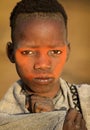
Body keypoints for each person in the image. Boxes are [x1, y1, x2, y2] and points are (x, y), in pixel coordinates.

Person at [0, 0, 89, 130]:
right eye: (28, 52)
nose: (42, 64)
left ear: (68, 52)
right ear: (11, 53)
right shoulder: (5, 118)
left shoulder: (86, 98)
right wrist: (51, 121)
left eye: (55, 52)